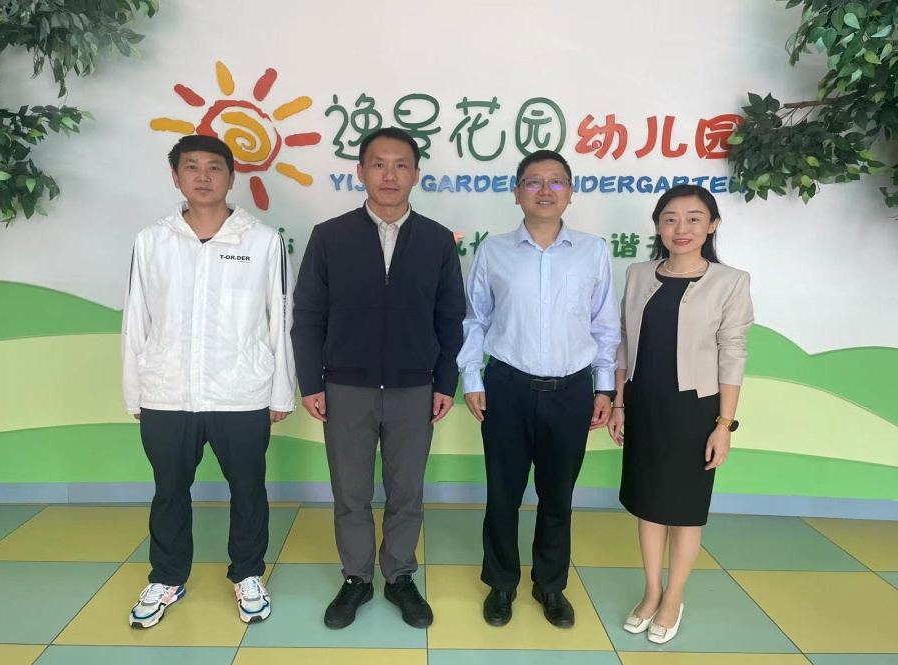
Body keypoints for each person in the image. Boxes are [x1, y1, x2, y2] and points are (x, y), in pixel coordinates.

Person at [291, 127, 465, 629]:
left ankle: (400, 576)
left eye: (401, 164)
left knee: (406, 491)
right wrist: (311, 382)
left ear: (416, 174)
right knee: (351, 491)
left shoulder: (436, 239)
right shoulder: (330, 236)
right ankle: (356, 578)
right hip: (346, 386)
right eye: (379, 164)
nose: (390, 175)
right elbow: (308, 314)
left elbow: (450, 317)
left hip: (415, 388)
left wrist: (444, 382)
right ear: (361, 171)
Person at [121, 134, 296, 628]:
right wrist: (136, 390)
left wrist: (281, 391)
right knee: (169, 491)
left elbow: (280, 318)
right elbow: (136, 318)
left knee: (249, 490)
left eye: (214, 167)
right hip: (167, 391)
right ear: (175, 176)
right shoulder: (151, 241)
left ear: (231, 177)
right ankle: (167, 577)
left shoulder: (262, 241)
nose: (203, 176)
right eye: (191, 167)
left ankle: (248, 574)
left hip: (240, 392)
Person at [457, 149, 620, 628]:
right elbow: (475, 319)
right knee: (503, 495)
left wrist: (604, 388)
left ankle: (550, 585)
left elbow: (605, 325)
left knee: (557, 497)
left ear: (570, 192)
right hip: (506, 388)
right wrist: (472, 377)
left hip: (572, 392)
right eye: (533, 181)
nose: (545, 190)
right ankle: (501, 583)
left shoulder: (593, 251)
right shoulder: (494, 251)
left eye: (556, 181)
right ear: (516, 193)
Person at [607, 184, 753, 644]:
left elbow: (733, 352)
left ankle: (674, 596)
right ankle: (651, 591)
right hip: (644, 404)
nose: (681, 228)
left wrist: (724, 425)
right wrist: (619, 402)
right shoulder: (637, 273)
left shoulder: (731, 281)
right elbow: (623, 341)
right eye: (670, 218)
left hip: (695, 410)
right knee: (649, 504)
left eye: (694, 218)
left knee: (685, 510)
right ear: (658, 226)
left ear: (712, 225)